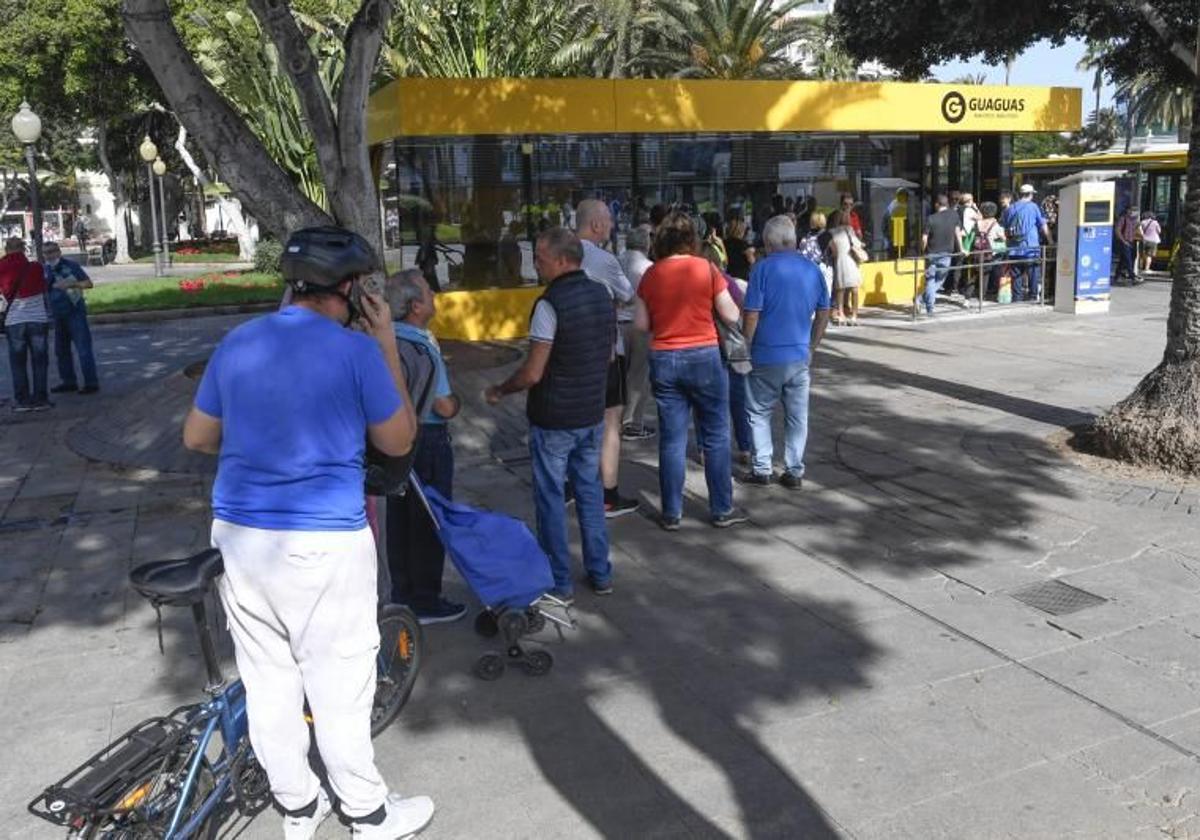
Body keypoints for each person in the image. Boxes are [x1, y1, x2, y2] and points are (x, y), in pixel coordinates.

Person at [182, 226, 432, 839]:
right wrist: (385, 346)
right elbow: (399, 441)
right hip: (323, 541)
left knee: (269, 679)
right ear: (347, 290)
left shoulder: (239, 342)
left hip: (239, 536)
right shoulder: (354, 354)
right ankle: (369, 814)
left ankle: (297, 807)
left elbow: (197, 437)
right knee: (340, 680)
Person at [485, 228, 614, 600]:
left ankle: (559, 580)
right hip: (590, 413)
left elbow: (533, 372)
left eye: (539, 258)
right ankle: (600, 572)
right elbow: (606, 356)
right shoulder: (601, 295)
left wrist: (500, 389)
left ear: (561, 260)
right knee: (590, 493)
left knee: (550, 500)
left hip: (555, 417)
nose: (534, 264)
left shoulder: (548, 304)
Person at [633, 212, 746, 531]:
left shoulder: (651, 275)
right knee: (715, 435)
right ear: (691, 239)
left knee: (671, 439)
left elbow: (641, 325)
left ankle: (671, 512)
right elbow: (731, 313)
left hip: (665, 359)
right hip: (705, 357)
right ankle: (722, 508)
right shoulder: (706, 269)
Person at [385, 269, 466, 625]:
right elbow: (444, 405)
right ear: (416, 306)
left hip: (391, 442)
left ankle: (402, 591)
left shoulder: (385, 341)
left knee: (399, 519)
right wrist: (459, 402)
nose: (435, 295)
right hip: (427, 441)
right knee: (430, 520)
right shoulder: (423, 345)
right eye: (429, 292)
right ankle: (427, 599)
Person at [742, 216, 831, 489]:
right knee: (797, 416)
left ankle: (762, 468)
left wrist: (745, 347)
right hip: (798, 355)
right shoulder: (812, 270)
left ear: (770, 243)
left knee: (758, 412)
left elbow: (752, 315)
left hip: (765, 354)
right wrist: (812, 346)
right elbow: (824, 312)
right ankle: (793, 470)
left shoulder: (762, 270)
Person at [575, 198, 638, 517]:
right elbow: (628, 296)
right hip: (606, 352)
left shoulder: (561, 253)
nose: (613, 226)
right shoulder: (605, 260)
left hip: (569, 350)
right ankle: (608, 495)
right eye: (610, 221)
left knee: (575, 420)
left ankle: (572, 485)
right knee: (610, 421)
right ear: (597, 225)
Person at [0, 237, 52, 412]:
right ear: (23, 249)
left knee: (18, 363)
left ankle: (22, 401)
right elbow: (46, 288)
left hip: (14, 321)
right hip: (37, 319)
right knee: (40, 361)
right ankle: (41, 400)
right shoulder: (36, 267)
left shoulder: (1, 267)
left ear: (7, 249)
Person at [43, 241, 99, 395]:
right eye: (47, 253)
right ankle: (68, 381)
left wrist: (71, 285)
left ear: (59, 252)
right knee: (61, 350)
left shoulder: (71, 266)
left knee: (83, 348)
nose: (50, 255)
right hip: (56, 314)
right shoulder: (45, 269)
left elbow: (88, 283)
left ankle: (91, 382)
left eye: (53, 251)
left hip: (75, 312)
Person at [619, 225, 655, 441]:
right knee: (638, 376)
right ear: (646, 244)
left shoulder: (616, 260)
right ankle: (631, 424)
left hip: (616, 324)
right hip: (640, 326)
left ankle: (614, 418)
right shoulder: (649, 268)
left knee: (618, 374)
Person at [1005, 184, 1052, 302]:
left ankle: (1017, 298)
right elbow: (1043, 225)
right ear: (1030, 194)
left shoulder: (1009, 208)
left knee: (1016, 275)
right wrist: (1051, 241)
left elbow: (1005, 228)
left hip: (1014, 248)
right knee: (1033, 273)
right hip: (1031, 247)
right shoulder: (1033, 207)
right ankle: (1032, 297)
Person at [920, 194, 962, 316]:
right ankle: (927, 305)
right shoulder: (954, 215)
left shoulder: (931, 218)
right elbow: (957, 233)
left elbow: (924, 238)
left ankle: (922, 301)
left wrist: (923, 251)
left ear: (936, 205)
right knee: (939, 280)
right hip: (946, 253)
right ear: (947, 204)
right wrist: (962, 249)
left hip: (931, 253)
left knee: (931, 280)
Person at [827, 210, 864, 326]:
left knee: (840, 290)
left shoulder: (831, 232)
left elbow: (832, 249)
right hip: (851, 261)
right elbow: (858, 244)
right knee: (854, 289)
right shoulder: (849, 230)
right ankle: (854, 315)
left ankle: (841, 314)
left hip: (840, 261)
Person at [974, 201, 1007, 298]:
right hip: (991, 252)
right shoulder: (995, 225)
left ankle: (976, 292)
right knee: (991, 272)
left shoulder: (977, 223)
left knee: (977, 273)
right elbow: (1003, 237)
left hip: (978, 250)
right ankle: (988, 292)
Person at [1115, 205, 1140, 285]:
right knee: (1128, 260)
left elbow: (1136, 231)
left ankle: (1117, 276)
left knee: (1124, 260)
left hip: (1132, 242)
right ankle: (1132, 277)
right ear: (1128, 210)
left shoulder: (1135, 221)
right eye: (1133, 210)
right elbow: (1118, 231)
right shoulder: (1123, 219)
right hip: (1125, 242)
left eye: (1136, 210)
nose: (1135, 212)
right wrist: (1123, 241)